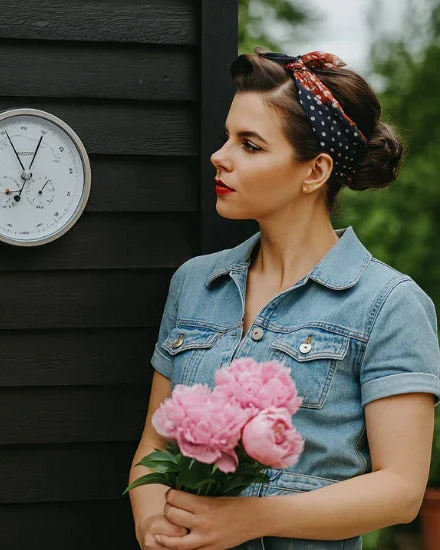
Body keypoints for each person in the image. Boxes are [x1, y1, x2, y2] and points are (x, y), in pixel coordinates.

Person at [127, 47, 440, 550]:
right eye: (227, 137)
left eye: (249, 145)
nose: (219, 156)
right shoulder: (193, 284)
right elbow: (154, 445)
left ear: (314, 172)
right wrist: (151, 522)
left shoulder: (389, 304)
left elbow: (400, 491)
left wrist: (251, 518)